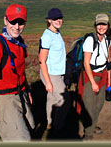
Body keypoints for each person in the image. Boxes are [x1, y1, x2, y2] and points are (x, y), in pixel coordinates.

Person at [0, 4, 35, 141]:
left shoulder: (19, 42)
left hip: (21, 94)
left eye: (21, 22)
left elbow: (20, 71)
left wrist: (26, 90)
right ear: (5, 20)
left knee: (31, 127)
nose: (17, 26)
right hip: (5, 100)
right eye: (13, 21)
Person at [77, 13, 111, 140]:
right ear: (95, 25)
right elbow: (86, 63)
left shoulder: (108, 40)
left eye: (104, 24)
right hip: (89, 76)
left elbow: (109, 60)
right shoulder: (90, 40)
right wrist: (93, 82)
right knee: (90, 106)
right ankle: (88, 135)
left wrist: (109, 80)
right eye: (99, 24)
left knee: (99, 105)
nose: (101, 27)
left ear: (108, 26)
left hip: (103, 74)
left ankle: (92, 125)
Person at [39, 8, 70, 138]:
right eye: (56, 18)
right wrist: (48, 81)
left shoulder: (57, 32)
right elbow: (41, 60)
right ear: (49, 20)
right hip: (50, 73)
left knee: (51, 99)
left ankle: (50, 123)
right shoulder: (47, 36)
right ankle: (58, 128)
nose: (59, 21)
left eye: (60, 18)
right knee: (65, 100)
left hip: (58, 72)